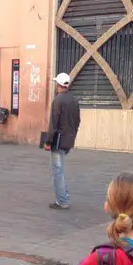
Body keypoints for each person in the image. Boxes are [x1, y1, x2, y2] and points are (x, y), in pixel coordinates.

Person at [45, 72, 81, 210]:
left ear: (58, 84)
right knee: (60, 169)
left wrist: (48, 141)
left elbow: (53, 123)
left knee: (57, 171)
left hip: (58, 140)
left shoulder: (58, 100)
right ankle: (63, 197)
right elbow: (77, 121)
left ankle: (62, 201)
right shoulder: (74, 99)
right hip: (68, 139)